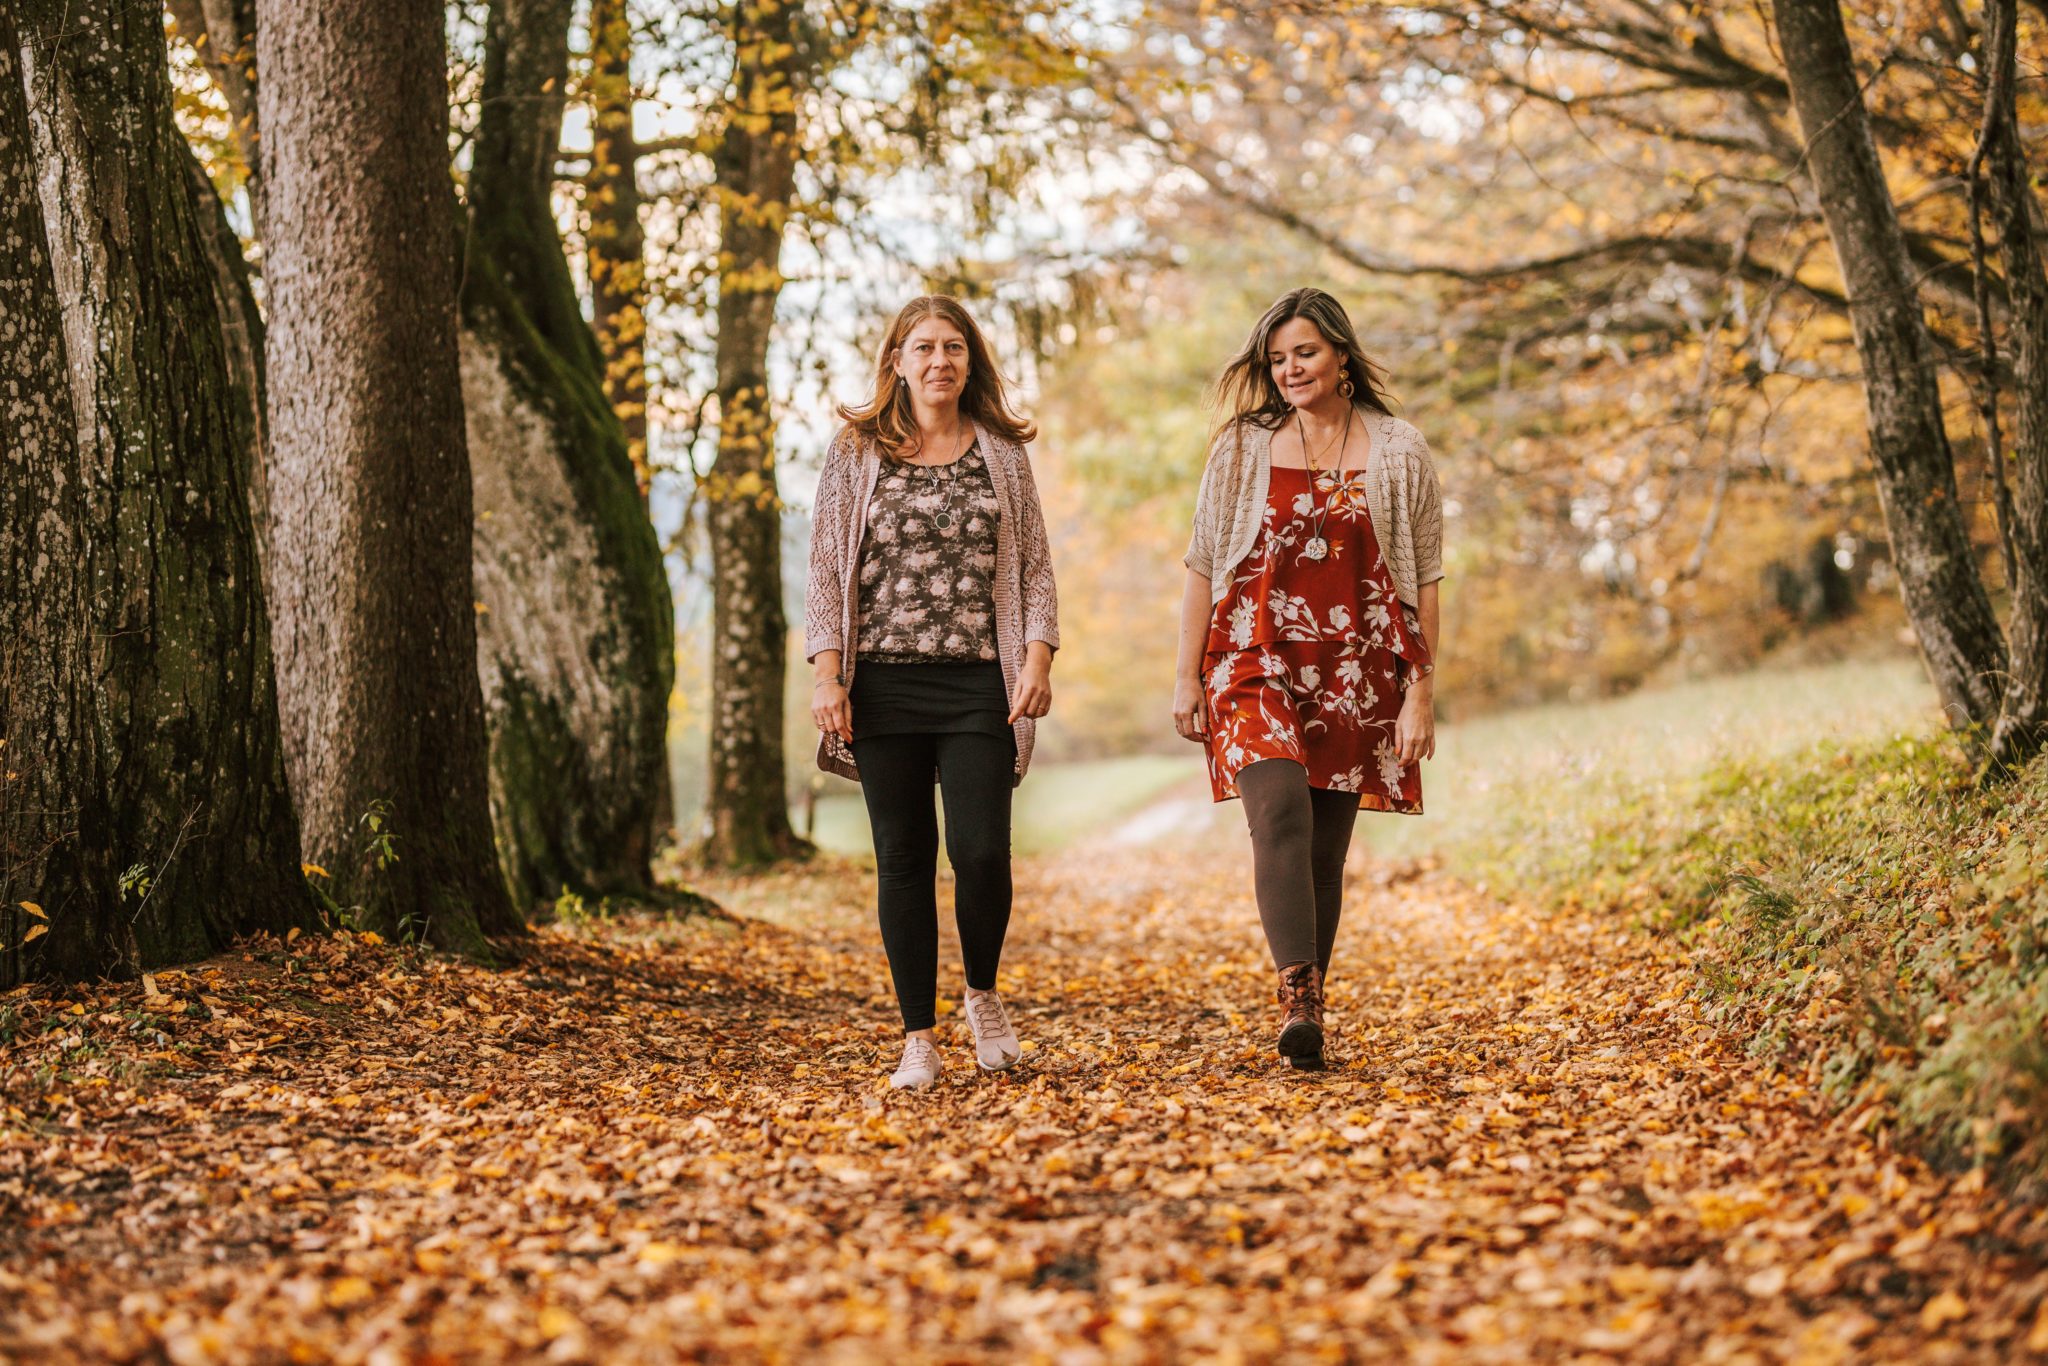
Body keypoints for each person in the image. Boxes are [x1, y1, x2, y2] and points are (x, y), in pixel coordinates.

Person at [1173, 288, 1444, 1071]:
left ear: (1342, 357)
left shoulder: (1398, 448)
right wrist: (1186, 675)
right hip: (1250, 654)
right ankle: (1298, 993)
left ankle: (1309, 1016)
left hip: (1356, 663)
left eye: (1306, 353)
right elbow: (1201, 564)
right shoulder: (1241, 446)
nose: (1290, 369)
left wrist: (1421, 687)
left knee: (1326, 851)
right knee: (1280, 811)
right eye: (1278, 358)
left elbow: (1425, 576)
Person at [804, 295, 1060, 1090]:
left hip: (980, 683)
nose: (939, 361)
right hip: (881, 685)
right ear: (898, 363)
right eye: (924, 348)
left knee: (981, 853)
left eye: (953, 347)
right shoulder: (856, 451)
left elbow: (1037, 567)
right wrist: (826, 674)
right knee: (903, 859)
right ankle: (918, 1034)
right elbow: (822, 569)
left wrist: (1038, 659)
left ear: (970, 361)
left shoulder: (1001, 453)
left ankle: (981, 995)